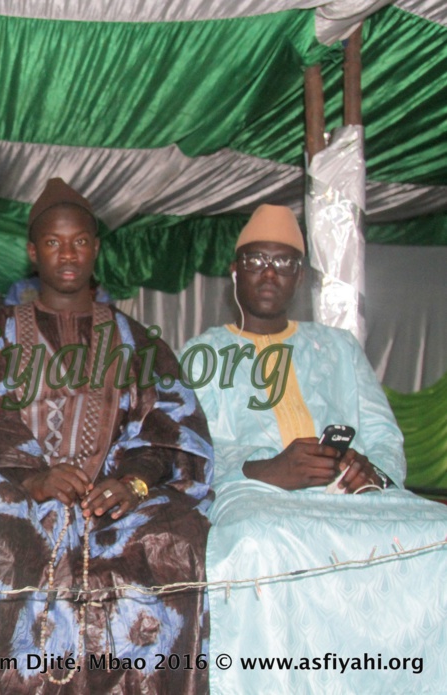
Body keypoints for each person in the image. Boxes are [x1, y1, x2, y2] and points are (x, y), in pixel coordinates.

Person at [0, 178, 213, 695]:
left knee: (175, 538)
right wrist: (34, 477)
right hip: (22, 490)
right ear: (33, 252)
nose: (67, 254)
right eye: (53, 242)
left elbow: (172, 425)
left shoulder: (138, 341)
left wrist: (133, 482)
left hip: (115, 497)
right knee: (0, 538)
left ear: (96, 248)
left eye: (79, 242)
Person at [181, 203, 447, 693]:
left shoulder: (339, 348)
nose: (269, 273)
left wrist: (373, 471)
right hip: (255, 494)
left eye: (283, 263)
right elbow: (187, 449)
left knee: (439, 533)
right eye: (257, 260)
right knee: (257, 544)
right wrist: (266, 468)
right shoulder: (201, 354)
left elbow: (385, 435)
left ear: (299, 277)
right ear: (234, 271)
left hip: (353, 496)